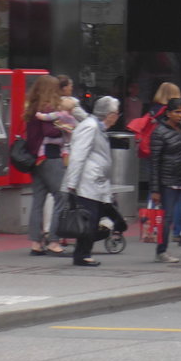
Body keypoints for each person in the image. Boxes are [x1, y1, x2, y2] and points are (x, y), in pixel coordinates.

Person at [62, 95, 119, 267]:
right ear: (109, 114)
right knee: (89, 219)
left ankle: (83, 252)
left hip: (97, 182)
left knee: (95, 218)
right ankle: (82, 254)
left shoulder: (97, 126)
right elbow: (78, 155)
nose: (117, 117)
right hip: (88, 182)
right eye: (116, 113)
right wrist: (71, 184)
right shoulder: (91, 127)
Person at [149, 97, 181, 264]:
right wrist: (155, 190)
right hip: (168, 181)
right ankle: (162, 251)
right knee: (167, 217)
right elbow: (155, 162)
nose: (180, 115)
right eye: (176, 112)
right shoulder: (159, 132)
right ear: (168, 113)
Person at [24, 74, 68, 256]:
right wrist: (64, 127)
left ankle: (36, 242)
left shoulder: (32, 108)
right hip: (51, 157)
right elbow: (51, 131)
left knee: (38, 200)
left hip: (36, 159)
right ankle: (54, 241)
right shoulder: (47, 109)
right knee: (61, 197)